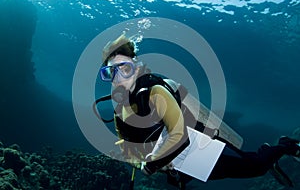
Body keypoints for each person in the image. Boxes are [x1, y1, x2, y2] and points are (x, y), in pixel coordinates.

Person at [98, 34, 300, 189]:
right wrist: (142, 162)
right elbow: (126, 146)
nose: (118, 77)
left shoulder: (154, 93)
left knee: (256, 167)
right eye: (109, 72)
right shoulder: (119, 109)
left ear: (136, 66)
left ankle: (285, 146)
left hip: (200, 148)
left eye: (125, 68)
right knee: (242, 167)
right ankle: (266, 156)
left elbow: (180, 135)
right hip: (178, 164)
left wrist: (151, 163)